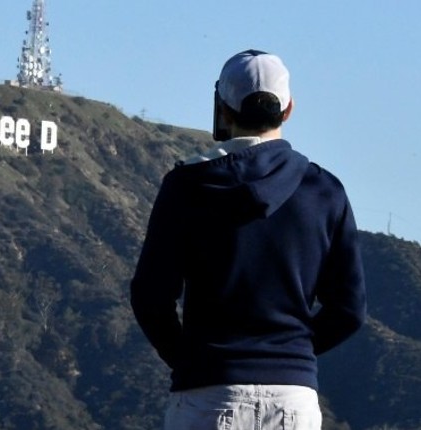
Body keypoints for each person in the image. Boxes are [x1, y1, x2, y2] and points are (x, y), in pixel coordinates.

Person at [130, 49, 366, 429]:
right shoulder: (325, 191)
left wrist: (193, 359)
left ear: (223, 110)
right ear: (288, 109)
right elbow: (349, 309)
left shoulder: (186, 187)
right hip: (293, 399)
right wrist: (292, 353)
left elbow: (150, 297)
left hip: (208, 395)